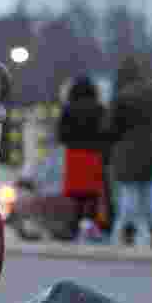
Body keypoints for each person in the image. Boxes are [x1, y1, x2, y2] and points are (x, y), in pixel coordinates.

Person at [107, 57, 152, 248]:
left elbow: (111, 127)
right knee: (150, 194)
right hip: (150, 151)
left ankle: (125, 232)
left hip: (126, 152)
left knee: (129, 196)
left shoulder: (121, 97)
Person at [57, 76, 110, 240]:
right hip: (93, 154)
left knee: (77, 195)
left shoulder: (68, 109)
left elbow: (61, 135)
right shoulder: (100, 109)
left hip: (74, 155)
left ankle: (74, 227)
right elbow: (106, 132)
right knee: (92, 194)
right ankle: (91, 227)